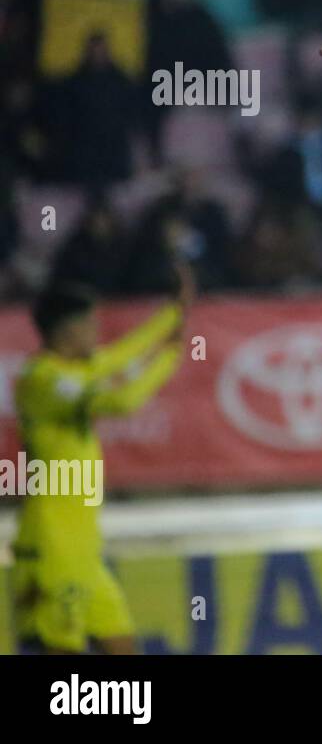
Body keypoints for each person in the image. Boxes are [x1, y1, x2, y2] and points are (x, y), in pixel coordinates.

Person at [12, 264, 193, 653]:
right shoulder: (41, 380)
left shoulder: (73, 371)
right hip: (51, 552)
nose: (98, 333)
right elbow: (122, 400)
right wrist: (167, 358)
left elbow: (117, 357)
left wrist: (172, 317)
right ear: (67, 331)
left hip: (85, 553)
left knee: (123, 648)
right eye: (91, 325)